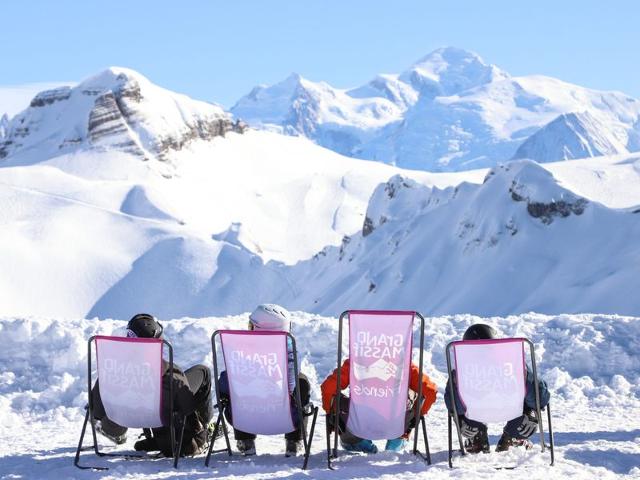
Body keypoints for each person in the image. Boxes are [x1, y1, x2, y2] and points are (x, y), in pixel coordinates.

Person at [91, 313, 213, 457]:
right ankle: (207, 427)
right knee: (203, 372)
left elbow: (96, 412)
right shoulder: (169, 373)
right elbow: (188, 407)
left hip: (133, 414)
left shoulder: (112, 372)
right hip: (161, 412)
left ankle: (124, 434)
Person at [217, 304, 311, 458]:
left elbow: (224, 385)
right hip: (285, 417)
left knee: (234, 385)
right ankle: (294, 442)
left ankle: (245, 441)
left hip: (244, 417)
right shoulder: (290, 353)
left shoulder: (240, 352)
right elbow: (291, 386)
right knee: (303, 383)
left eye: (251, 325)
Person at [445, 323, 551, 453]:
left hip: (474, 420)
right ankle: (513, 437)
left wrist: (460, 419)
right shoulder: (513, 365)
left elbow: (453, 406)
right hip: (515, 414)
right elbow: (540, 397)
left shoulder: (460, 373)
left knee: (459, 412)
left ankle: (476, 438)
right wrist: (533, 411)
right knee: (532, 407)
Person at [321, 356, 438, 453]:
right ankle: (396, 441)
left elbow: (328, 388)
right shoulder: (404, 365)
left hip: (358, 424)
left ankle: (358, 442)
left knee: (336, 398)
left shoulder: (356, 362)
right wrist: (416, 416)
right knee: (412, 393)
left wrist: (331, 413)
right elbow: (430, 392)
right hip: (396, 424)